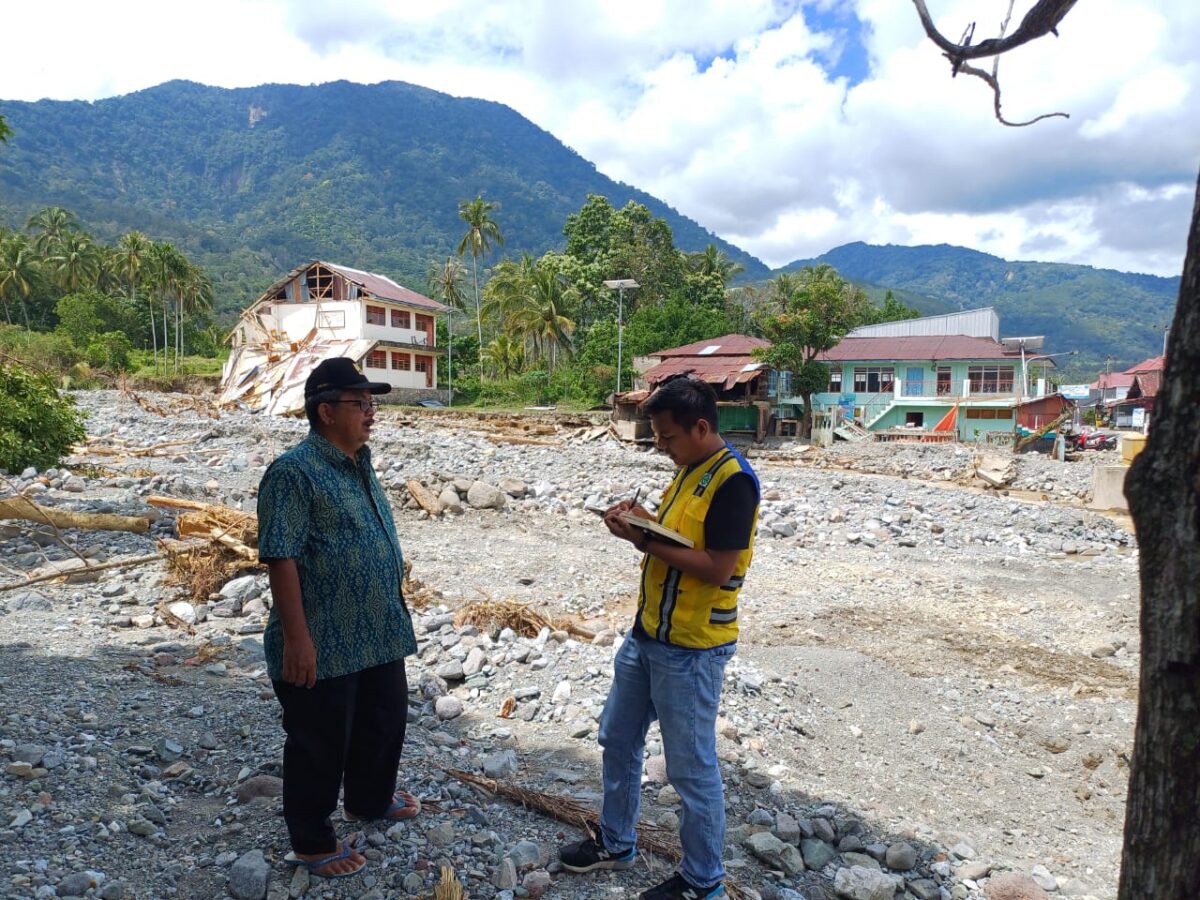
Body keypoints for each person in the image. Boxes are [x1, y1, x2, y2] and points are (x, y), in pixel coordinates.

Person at [560, 377, 760, 900]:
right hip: (648, 635)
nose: (661, 447)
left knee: (691, 769)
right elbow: (678, 542)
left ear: (701, 427)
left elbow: (716, 567)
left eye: (668, 437)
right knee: (617, 737)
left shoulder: (733, 482)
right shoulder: (688, 469)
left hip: (691, 648)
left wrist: (645, 541)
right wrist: (641, 525)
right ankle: (617, 841)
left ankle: (702, 881)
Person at [257, 356, 420, 879]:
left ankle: (369, 801)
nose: (371, 412)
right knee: (319, 741)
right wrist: (297, 641)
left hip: (377, 630)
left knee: (383, 721)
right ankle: (311, 841)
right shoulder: (293, 473)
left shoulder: (359, 461)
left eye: (372, 403)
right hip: (323, 636)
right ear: (326, 412)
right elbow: (281, 556)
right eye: (359, 403)